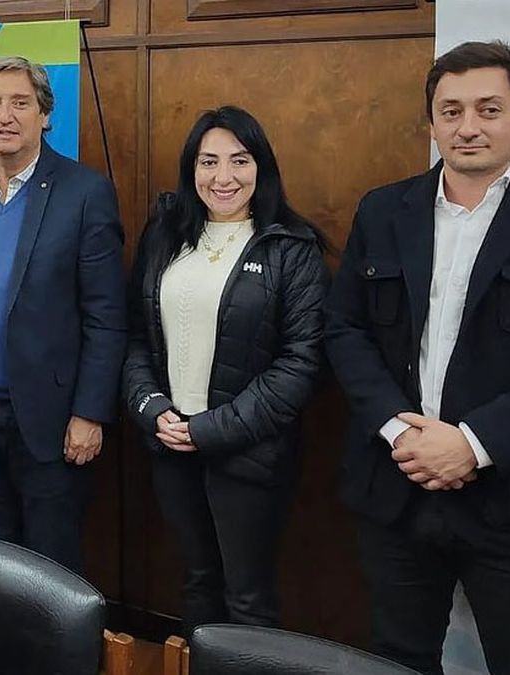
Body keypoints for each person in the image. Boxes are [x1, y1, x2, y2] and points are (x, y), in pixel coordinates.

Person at [325, 40, 510, 675]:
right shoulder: (384, 209)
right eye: (450, 111)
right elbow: (345, 330)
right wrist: (402, 430)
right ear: (431, 122)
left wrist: (472, 443)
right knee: (397, 660)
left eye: (488, 109)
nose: (468, 127)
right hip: (397, 491)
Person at [123, 106, 326, 636]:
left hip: (250, 455)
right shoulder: (167, 235)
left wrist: (210, 429)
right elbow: (137, 339)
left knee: (248, 597)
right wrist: (154, 411)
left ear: (261, 167)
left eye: (239, 160)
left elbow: (301, 363)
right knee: (196, 583)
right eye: (208, 161)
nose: (224, 177)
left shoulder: (291, 246)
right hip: (170, 445)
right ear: (192, 169)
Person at [0, 56, 127, 573]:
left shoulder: (85, 193)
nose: (5, 115)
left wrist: (90, 413)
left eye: (20, 102)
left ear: (46, 114)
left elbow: (107, 315)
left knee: (49, 568)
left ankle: (56, 660)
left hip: (50, 418)